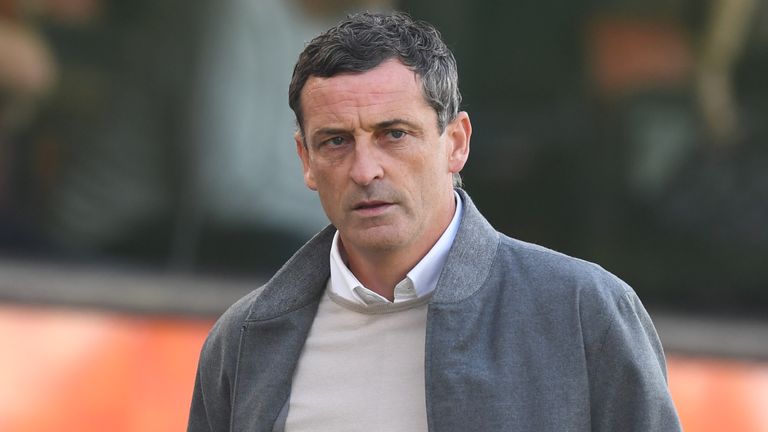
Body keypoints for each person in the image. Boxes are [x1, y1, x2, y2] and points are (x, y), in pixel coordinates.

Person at [188, 11, 681, 431]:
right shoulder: (245, 340)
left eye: (394, 134)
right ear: (306, 160)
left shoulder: (581, 311)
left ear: (457, 142)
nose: (365, 170)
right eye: (336, 141)